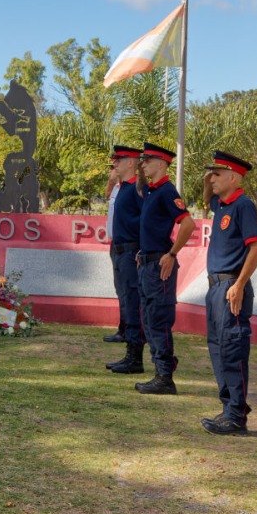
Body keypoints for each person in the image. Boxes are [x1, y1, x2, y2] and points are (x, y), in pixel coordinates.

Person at [199, 150, 257, 436]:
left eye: (217, 173)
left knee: (232, 350)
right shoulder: (223, 205)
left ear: (234, 177)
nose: (211, 178)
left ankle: (236, 414)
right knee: (217, 348)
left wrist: (239, 284)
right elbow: (206, 199)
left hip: (230, 286)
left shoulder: (243, 206)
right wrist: (207, 181)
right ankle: (230, 407)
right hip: (216, 287)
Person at [133, 142, 195, 395]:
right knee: (148, 320)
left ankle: (165, 377)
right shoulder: (151, 191)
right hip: (148, 262)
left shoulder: (167, 191)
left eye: (147, 161)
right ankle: (162, 367)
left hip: (160, 265)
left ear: (161, 164)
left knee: (158, 320)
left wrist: (171, 254)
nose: (143, 165)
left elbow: (188, 224)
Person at [104, 145, 145, 372]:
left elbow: (146, 221)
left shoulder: (138, 188)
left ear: (131, 162)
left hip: (131, 251)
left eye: (119, 160)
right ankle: (130, 352)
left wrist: (142, 249)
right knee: (126, 300)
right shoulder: (123, 188)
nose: (115, 164)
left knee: (132, 302)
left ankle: (135, 356)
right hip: (120, 250)